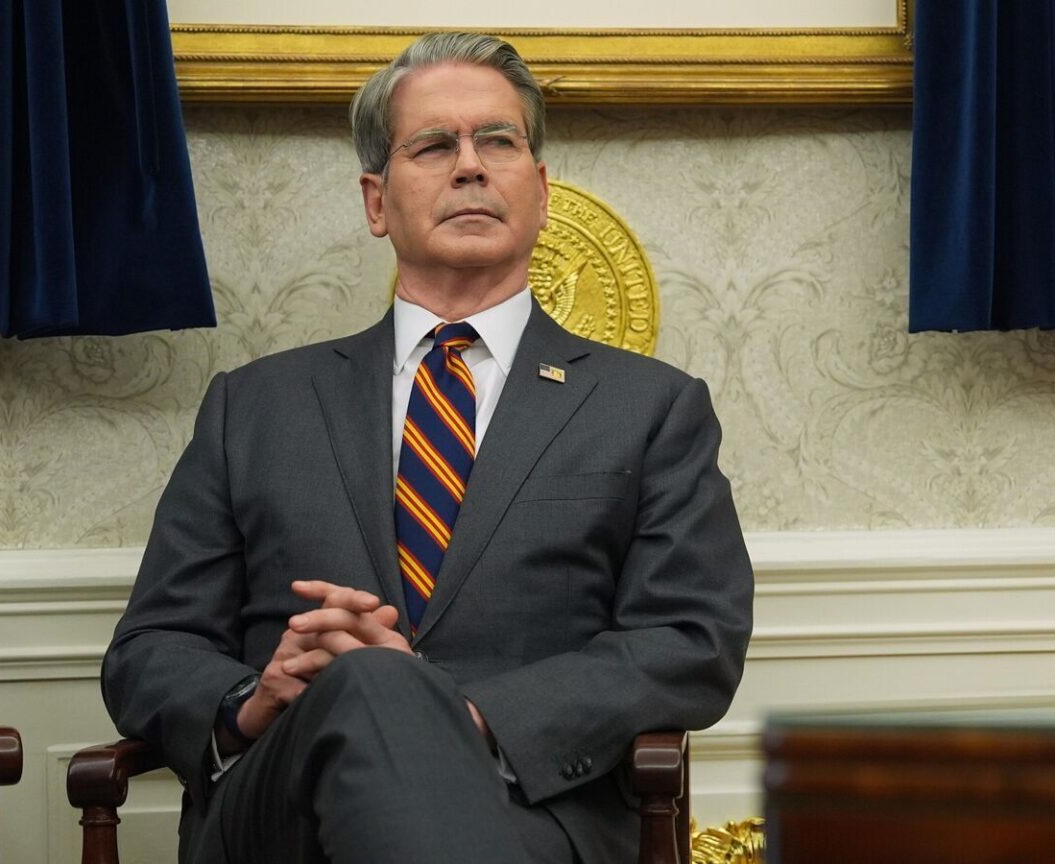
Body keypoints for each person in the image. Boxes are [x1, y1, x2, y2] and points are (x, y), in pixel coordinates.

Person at [101, 32, 754, 864]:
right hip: (281, 811)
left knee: (381, 682)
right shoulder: (253, 405)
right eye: (435, 145)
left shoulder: (652, 407)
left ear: (541, 190)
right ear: (377, 202)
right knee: (368, 683)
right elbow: (149, 649)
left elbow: (690, 639)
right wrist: (248, 700)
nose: (471, 165)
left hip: (533, 809)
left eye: (499, 141)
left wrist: (456, 714)